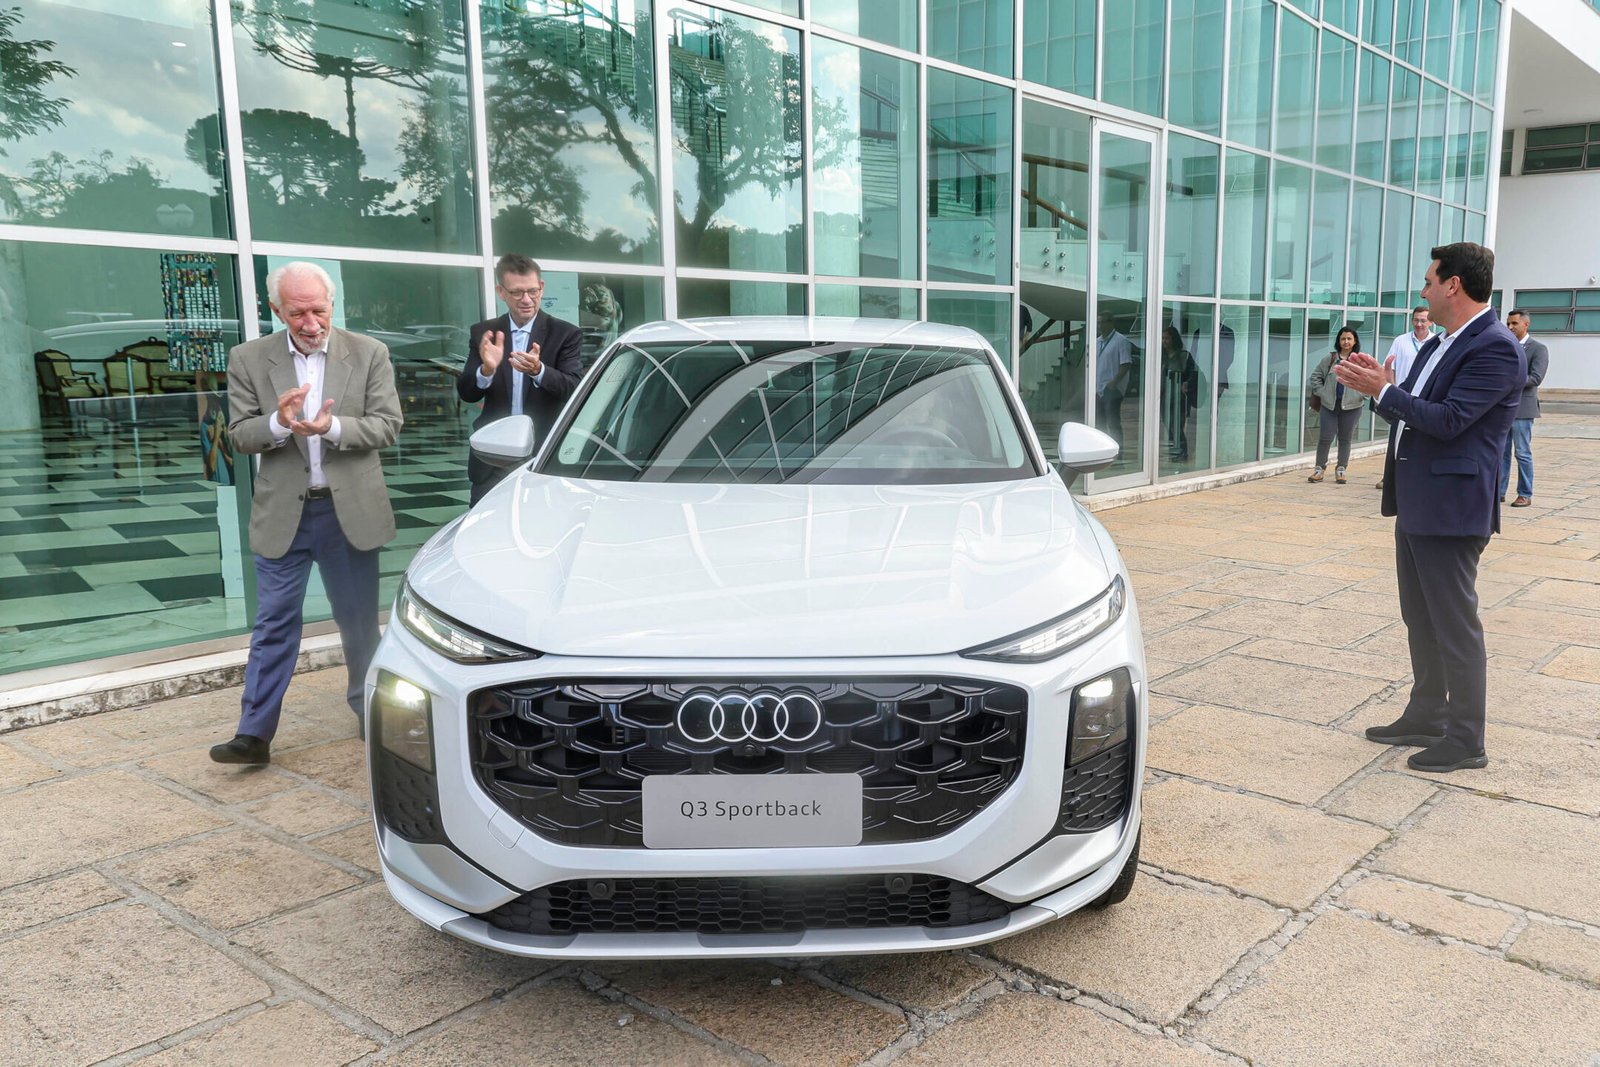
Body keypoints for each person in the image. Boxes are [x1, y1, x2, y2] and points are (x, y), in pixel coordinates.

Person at [1333, 242, 1525, 774]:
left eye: (1428, 281)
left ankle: (1465, 739)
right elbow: (1411, 409)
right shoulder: (1440, 342)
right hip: (1419, 501)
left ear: (1452, 286)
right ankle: (1426, 715)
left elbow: (1448, 420)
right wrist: (1379, 386)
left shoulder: (1495, 347)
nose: (1422, 291)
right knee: (1420, 618)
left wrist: (1385, 391)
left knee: (1454, 626)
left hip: (1451, 508)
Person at [210, 262, 404, 765]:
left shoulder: (369, 352)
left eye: (319, 310)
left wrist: (331, 428)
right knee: (274, 622)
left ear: (332, 304)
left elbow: (387, 425)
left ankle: (369, 712)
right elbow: (239, 435)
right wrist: (279, 422)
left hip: (348, 513)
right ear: (277, 310)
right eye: (298, 313)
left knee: (358, 623)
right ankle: (253, 734)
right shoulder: (248, 358)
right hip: (283, 515)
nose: (311, 323)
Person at [458, 254, 583, 504]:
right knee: (484, 524)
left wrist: (539, 371)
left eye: (532, 291)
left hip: (543, 456)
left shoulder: (565, 333)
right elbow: (467, 393)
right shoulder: (484, 333)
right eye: (516, 292)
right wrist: (487, 370)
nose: (526, 299)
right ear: (501, 292)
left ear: (542, 287)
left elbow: (573, 389)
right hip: (492, 459)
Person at [1375, 308, 1436, 491]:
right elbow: (1390, 368)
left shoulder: (1436, 342)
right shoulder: (1401, 341)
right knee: (1396, 438)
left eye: (1423, 320)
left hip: (1424, 399)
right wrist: (1392, 389)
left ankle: (1416, 476)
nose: (1419, 324)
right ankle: (1391, 476)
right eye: (1416, 320)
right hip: (1402, 397)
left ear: (1430, 322)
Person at [1305, 326, 1369, 484]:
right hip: (1329, 405)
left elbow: (1369, 381)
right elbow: (1315, 376)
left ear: (1355, 341)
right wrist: (1322, 393)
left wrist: (1363, 395)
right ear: (1338, 341)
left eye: (1349, 338)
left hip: (1352, 407)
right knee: (1325, 438)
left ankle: (1341, 469)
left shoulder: (1360, 361)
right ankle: (1319, 469)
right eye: (1343, 339)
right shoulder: (1330, 358)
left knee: (1345, 439)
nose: (1346, 342)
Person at [1499, 309, 1548, 508]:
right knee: (1501, 452)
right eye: (1508, 323)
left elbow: (1535, 378)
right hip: (1502, 409)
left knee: (1522, 453)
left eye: (1514, 323)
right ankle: (1499, 492)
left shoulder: (1538, 349)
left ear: (1526, 324)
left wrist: (1508, 382)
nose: (1510, 327)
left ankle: (1525, 493)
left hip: (1523, 409)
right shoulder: (1504, 346)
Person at [1159, 325, 1199, 462]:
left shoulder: (1184, 356)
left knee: (1177, 427)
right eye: (1162, 338)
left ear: (1174, 339)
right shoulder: (1161, 356)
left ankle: (1182, 453)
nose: (1164, 341)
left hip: (1179, 399)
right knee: (1169, 426)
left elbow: (1193, 373)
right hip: (1165, 397)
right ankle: (1174, 452)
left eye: (1167, 338)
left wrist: (1186, 383)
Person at [1095, 309, 1134, 449]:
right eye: (1098, 323)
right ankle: (1101, 449)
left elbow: (1126, 364)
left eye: (1102, 322)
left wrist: (1113, 383)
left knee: (1113, 422)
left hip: (1112, 388)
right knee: (1099, 422)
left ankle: (1118, 450)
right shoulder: (1097, 342)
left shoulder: (1121, 341)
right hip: (1098, 388)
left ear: (1111, 323)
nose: (1100, 326)